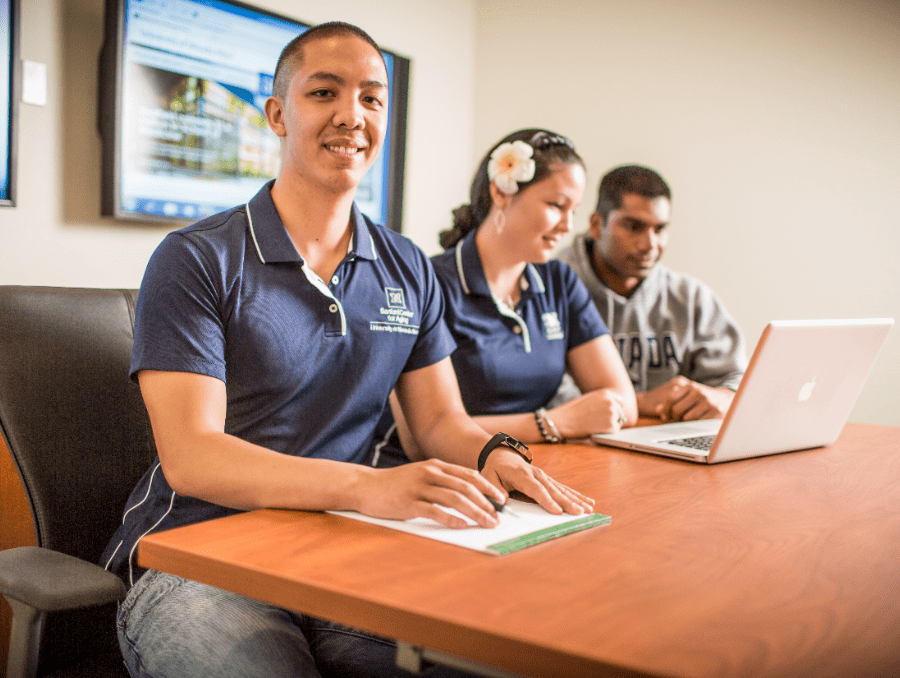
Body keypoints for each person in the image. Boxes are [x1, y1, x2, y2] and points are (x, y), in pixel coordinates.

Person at [101, 23, 592, 678]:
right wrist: (368, 488)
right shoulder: (196, 258)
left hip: (345, 552)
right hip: (197, 558)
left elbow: (436, 423)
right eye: (324, 92)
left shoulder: (407, 265)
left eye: (371, 98)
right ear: (277, 113)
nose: (351, 117)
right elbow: (192, 456)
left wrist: (494, 456)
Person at [372, 129, 637, 468]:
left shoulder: (559, 282)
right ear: (500, 191)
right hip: (426, 477)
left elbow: (623, 405)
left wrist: (549, 427)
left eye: (575, 209)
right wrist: (551, 423)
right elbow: (423, 437)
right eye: (556, 205)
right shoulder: (427, 284)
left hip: (522, 464)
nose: (568, 226)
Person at [555, 165, 747, 422]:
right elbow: (540, 394)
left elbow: (736, 380)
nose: (649, 245)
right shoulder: (545, 288)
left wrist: (723, 397)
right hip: (578, 446)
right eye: (634, 227)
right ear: (596, 225)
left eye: (659, 229)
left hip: (671, 446)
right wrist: (642, 403)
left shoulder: (690, 298)